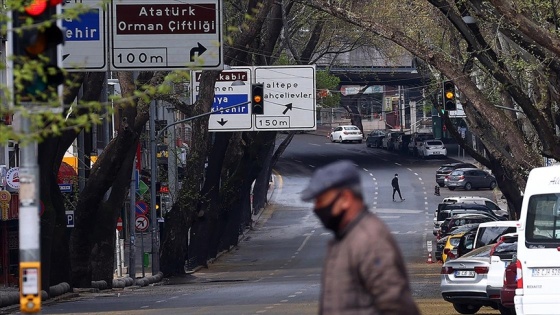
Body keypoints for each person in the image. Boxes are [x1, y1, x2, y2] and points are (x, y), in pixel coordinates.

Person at [301, 160, 420, 315]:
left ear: (345, 198)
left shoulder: (369, 241)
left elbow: (396, 306)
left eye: (321, 200)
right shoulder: (345, 238)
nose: (316, 208)